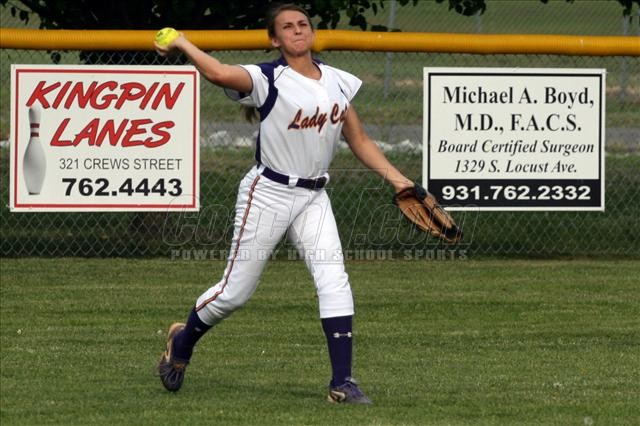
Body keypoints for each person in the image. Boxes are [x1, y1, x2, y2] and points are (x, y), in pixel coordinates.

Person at [155, 3, 413, 404]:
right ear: (274, 39)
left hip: (314, 196)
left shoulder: (337, 81)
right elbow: (219, 73)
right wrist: (184, 43)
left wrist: (400, 181)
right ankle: (182, 341)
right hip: (269, 193)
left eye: (302, 24)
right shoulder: (267, 78)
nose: (297, 30)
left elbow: (359, 139)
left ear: (312, 32)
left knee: (334, 279)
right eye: (287, 27)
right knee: (234, 293)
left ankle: (342, 383)